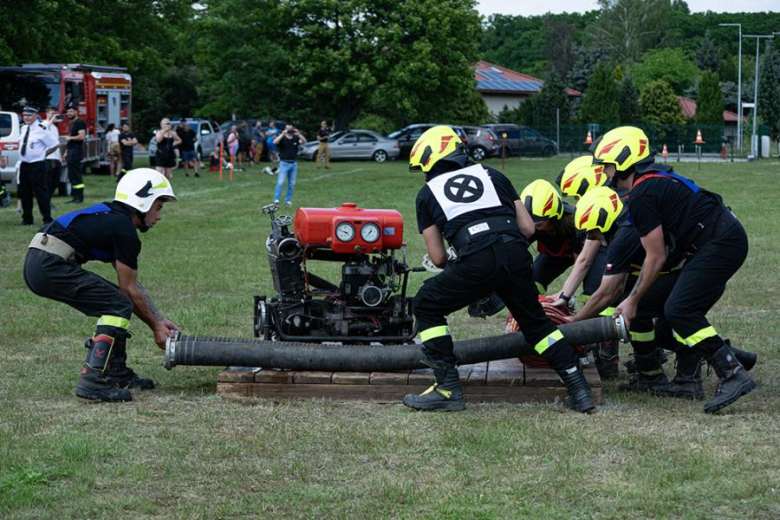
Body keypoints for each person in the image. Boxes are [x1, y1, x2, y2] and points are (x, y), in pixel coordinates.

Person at [401, 126, 595, 413]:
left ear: (431, 161)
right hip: (516, 254)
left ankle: (447, 389)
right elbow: (527, 228)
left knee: (426, 304)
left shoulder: (426, 194)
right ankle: (579, 389)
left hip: (476, 257)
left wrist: (473, 267)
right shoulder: (493, 174)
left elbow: (438, 258)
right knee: (536, 325)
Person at [592, 126, 756, 413]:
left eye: (606, 165)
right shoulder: (650, 183)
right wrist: (636, 301)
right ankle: (704, 370)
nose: (604, 172)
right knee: (661, 321)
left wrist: (631, 299)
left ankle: (732, 373)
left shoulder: (642, 193)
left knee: (679, 309)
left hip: (721, 241)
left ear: (622, 161)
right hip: (712, 241)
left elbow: (655, 256)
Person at [23, 168, 180, 402]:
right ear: (143, 202)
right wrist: (156, 327)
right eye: (158, 207)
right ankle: (93, 381)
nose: (159, 216)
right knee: (118, 304)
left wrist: (158, 319)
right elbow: (129, 290)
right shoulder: (124, 230)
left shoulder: (113, 218)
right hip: (48, 265)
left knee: (118, 302)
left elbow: (131, 286)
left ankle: (116, 372)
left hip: (40, 261)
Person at [519, 178, 617, 378]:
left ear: (554, 216)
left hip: (587, 253)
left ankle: (607, 356)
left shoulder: (575, 222)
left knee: (594, 293)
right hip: (556, 254)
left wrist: (565, 295)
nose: (534, 225)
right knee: (532, 283)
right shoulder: (530, 221)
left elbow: (583, 262)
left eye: (539, 222)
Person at [18, 105, 59, 226]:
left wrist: (44, 154)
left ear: (36, 116)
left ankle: (47, 218)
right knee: (25, 193)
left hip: (37, 165)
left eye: (29, 115)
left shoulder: (42, 129)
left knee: (41, 193)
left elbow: (55, 144)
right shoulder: (23, 128)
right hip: (24, 164)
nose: (26, 117)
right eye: (25, 115)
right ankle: (27, 219)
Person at [272, 124, 306, 206]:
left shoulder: (295, 138)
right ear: (285, 129)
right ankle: (276, 199)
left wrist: (299, 134)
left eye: (290, 129)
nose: (289, 131)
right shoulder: (282, 138)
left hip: (293, 163)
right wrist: (282, 134)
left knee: (291, 183)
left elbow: (304, 141)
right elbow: (275, 142)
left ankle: (288, 200)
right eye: (287, 129)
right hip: (284, 163)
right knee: (280, 182)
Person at [64, 101, 86, 204]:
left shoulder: (79, 122)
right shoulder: (72, 123)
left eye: (71, 111)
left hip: (76, 151)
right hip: (71, 151)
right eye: (68, 111)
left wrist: (70, 138)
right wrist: (66, 152)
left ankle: (79, 197)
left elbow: (82, 136)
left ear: (76, 112)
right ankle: (74, 196)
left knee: (76, 175)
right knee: (71, 175)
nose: (69, 113)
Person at [44, 106, 63, 199]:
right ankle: (46, 201)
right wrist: (51, 120)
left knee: (56, 182)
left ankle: (48, 199)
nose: (54, 116)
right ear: (47, 114)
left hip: (56, 158)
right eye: (52, 113)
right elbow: (43, 129)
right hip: (47, 158)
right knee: (47, 181)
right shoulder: (43, 124)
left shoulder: (55, 128)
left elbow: (56, 143)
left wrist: (60, 156)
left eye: (56, 114)